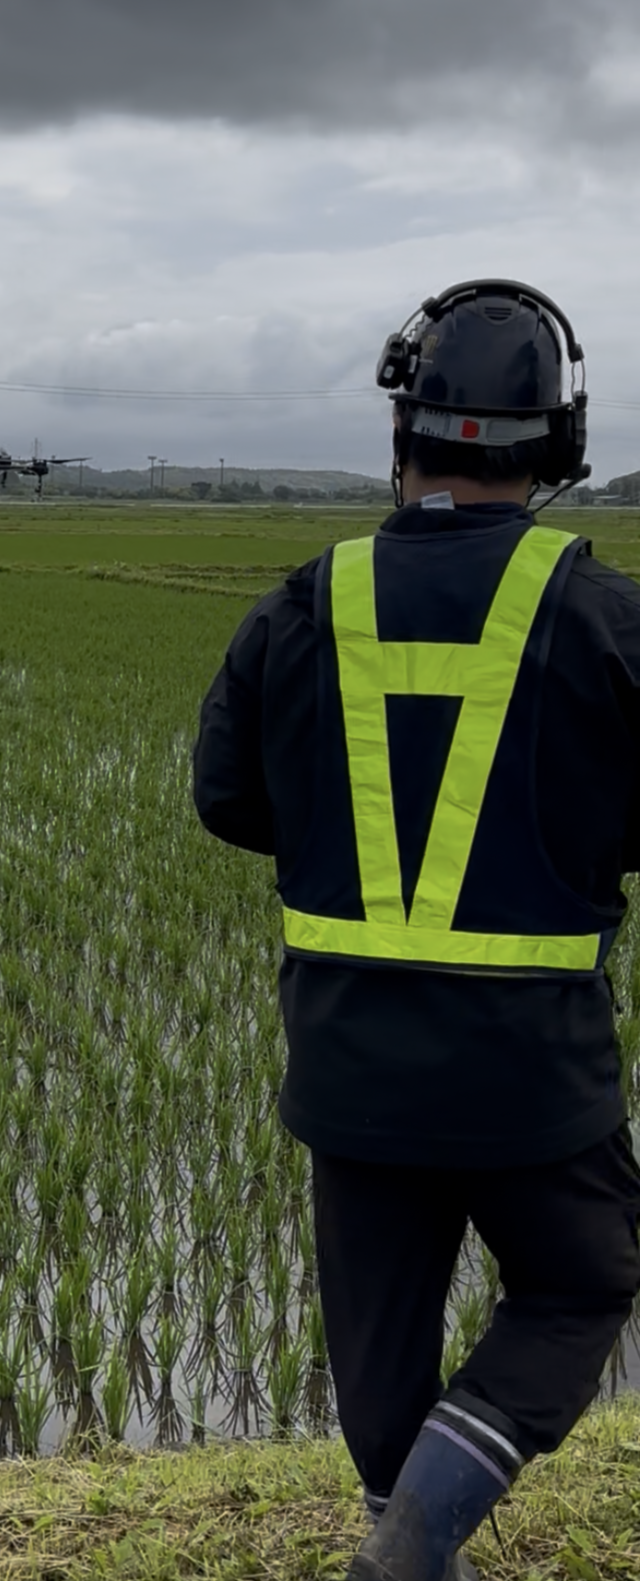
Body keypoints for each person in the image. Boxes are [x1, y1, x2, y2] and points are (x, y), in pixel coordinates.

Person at [193, 279, 640, 1581]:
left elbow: (226, 798)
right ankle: (416, 1546)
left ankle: (405, 1536)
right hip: (531, 1071)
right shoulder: (604, 614)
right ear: (559, 445)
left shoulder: (305, 600)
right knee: (582, 1277)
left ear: (403, 430)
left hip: (349, 1064)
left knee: (381, 1355)